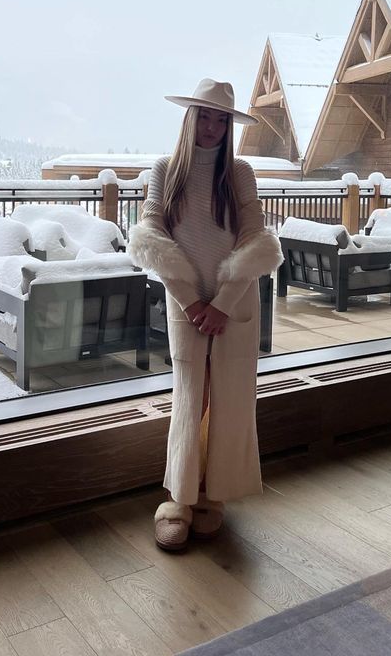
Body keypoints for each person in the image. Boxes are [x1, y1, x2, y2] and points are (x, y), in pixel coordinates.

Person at [128, 78, 283, 551]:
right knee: (190, 398)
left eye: (222, 118)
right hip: (186, 307)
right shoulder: (164, 170)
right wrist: (193, 301)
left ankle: (212, 498)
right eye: (206, 115)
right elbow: (150, 237)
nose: (213, 126)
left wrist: (221, 304)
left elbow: (257, 240)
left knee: (230, 401)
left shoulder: (239, 173)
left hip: (234, 307)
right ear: (190, 116)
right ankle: (177, 500)